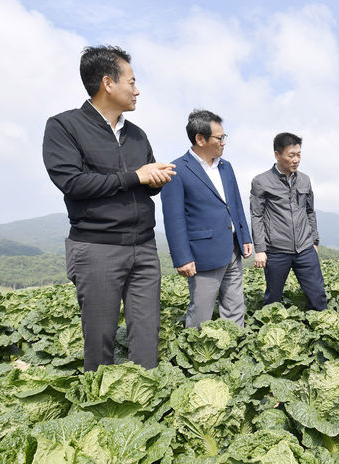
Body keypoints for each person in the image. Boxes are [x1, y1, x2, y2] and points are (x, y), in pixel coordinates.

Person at [42, 45, 176, 371]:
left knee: (146, 339)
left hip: (143, 247)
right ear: (108, 83)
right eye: (131, 81)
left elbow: (142, 180)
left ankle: (146, 411)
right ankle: (100, 410)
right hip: (97, 247)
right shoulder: (64, 127)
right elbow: (73, 183)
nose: (137, 90)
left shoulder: (136, 134)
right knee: (99, 341)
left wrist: (155, 179)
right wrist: (135, 177)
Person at [161, 110, 253, 328]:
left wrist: (245, 236)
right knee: (201, 312)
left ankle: (234, 351)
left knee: (235, 307)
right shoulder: (176, 170)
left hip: (233, 248)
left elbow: (235, 205)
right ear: (200, 139)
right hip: (203, 253)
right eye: (219, 138)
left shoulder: (225, 166)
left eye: (224, 137)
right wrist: (182, 257)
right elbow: (174, 219)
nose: (224, 142)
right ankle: (195, 355)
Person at [250, 133, 327, 310]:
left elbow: (309, 211)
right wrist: (260, 249)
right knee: (273, 300)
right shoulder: (261, 182)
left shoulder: (305, 180)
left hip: (305, 248)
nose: (296, 160)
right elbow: (257, 216)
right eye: (291, 155)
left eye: (299, 155)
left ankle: (318, 333)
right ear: (277, 155)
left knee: (318, 295)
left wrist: (314, 240)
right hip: (276, 250)